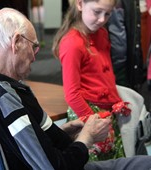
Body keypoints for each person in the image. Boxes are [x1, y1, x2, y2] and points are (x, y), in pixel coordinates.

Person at [0, 7, 151, 170]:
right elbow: (54, 167)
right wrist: (87, 138)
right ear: (17, 42)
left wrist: (67, 130)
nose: (35, 57)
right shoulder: (2, 97)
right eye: (34, 46)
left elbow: (31, 142)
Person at [52, 0, 133, 161]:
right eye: (97, 12)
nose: (102, 19)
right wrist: (93, 122)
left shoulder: (102, 34)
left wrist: (115, 103)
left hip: (105, 113)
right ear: (80, 4)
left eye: (107, 13)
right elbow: (72, 93)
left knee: (114, 162)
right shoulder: (72, 43)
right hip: (87, 113)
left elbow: (106, 76)